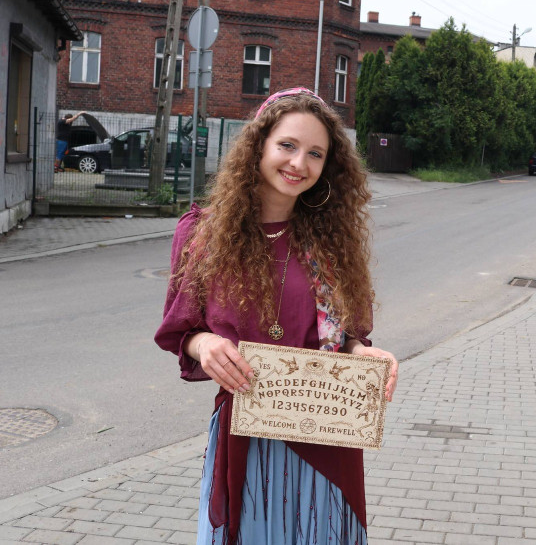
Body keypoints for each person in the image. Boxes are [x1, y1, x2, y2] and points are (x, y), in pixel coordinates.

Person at [155, 87, 398, 545]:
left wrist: (365, 354)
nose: (298, 163)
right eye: (287, 145)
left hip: (325, 439)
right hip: (245, 435)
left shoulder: (331, 244)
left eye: (315, 154)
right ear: (259, 146)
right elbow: (180, 329)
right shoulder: (202, 234)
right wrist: (204, 343)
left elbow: (346, 338)